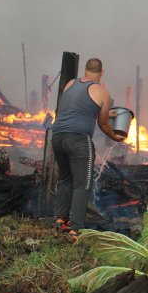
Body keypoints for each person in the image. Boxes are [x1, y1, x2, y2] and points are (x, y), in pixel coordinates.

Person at [51, 57, 125, 240]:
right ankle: (76, 229)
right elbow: (103, 124)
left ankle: (61, 220)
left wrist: (107, 112)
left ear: (85, 70)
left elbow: (77, 106)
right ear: (102, 73)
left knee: (65, 178)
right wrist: (115, 137)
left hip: (58, 136)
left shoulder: (69, 84)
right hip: (78, 140)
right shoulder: (103, 93)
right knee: (82, 183)